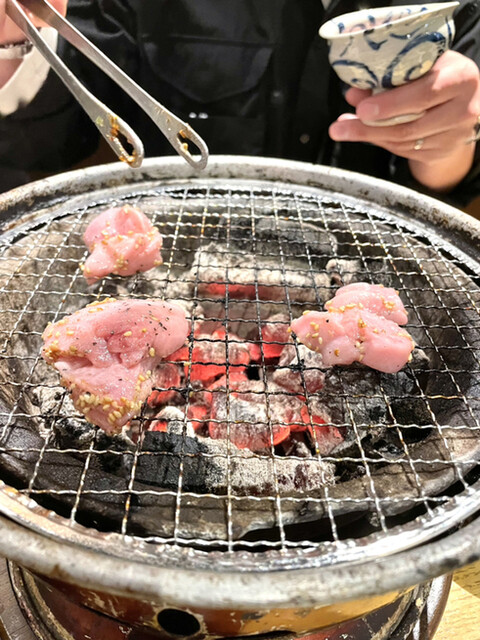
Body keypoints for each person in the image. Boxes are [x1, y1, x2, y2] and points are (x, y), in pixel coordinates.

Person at [0, 0, 479, 208]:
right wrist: (10, 44)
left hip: (369, 269)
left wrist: (445, 142)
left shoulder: (449, 8)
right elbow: (52, 139)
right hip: (173, 259)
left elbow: (448, 189)